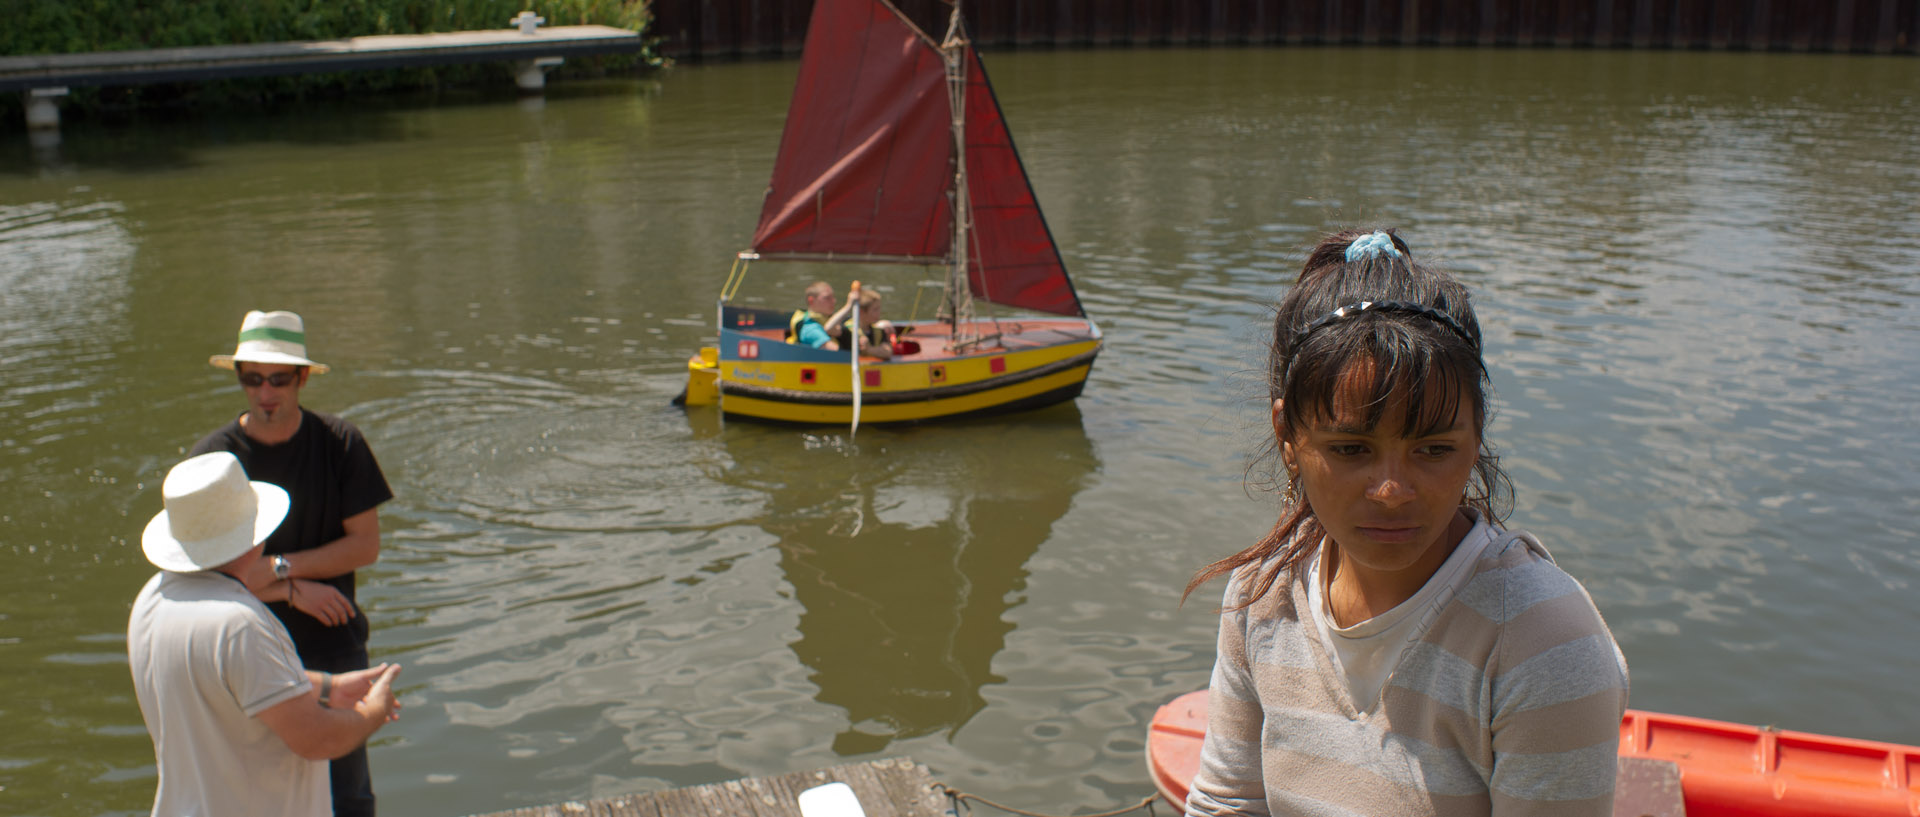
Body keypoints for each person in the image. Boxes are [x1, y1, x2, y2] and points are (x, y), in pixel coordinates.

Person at [1183, 229, 1628, 817]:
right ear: (1288, 436)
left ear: (1476, 440)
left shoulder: (1542, 644)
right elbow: (1226, 803)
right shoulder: (1261, 597)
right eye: (1350, 449)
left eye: (1433, 449)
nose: (1392, 491)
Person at [188, 309, 394, 817]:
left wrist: (278, 570)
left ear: (302, 378)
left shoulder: (341, 444)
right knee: (257, 797)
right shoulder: (213, 463)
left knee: (347, 796)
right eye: (252, 379)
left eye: (278, 379)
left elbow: (364, 546)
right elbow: (203, 579)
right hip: (244, 651)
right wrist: (291, 589)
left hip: (332, 643)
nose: (265, 393)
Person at [128, 451, 402, 817]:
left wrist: (325, 688)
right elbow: (316, 738)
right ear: (256, 536)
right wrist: (373, 712)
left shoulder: (153, 598)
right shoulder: (240, 624)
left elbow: (222, 681)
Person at [821, 286, 898, 360]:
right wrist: (849, 306)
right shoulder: (848, 329)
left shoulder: (878, 331)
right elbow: (828, 328)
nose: (879, 313)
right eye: (875, 309)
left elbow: (888, 352)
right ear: (861, 312)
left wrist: (869, 350)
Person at [787, 280, 839, 348]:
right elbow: (835, 350)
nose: (834, 301)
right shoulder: (810, 328)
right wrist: (848, 306)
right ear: (811, 300)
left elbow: (839, 331)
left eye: (833, 297)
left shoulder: (826, 318)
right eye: (827, 298)